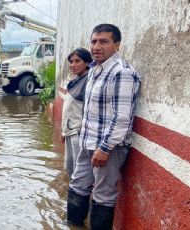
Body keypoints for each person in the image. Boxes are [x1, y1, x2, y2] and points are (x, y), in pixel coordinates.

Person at [66, 24, 141, 229]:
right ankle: (72, 225)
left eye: (104, 41)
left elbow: (122, 118)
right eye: (93, 41)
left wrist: (104, 148)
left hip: (109, 147)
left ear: (117, 45)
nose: (96, 46)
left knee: (103, 195)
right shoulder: (94, 70)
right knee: (77, 184)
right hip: (87, 140)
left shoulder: (122, 73)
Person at [61, 48, 92, 178]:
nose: (73, 65)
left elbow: (88, 110)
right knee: (70, 167)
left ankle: (80, 196)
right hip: (70, 131)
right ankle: (72, 195)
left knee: (78, 171)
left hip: (78, 133)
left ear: (87, 63)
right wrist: (64, 132)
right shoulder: (76, 80)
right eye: (71, 61)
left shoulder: (89, 81)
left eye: (77, 61)